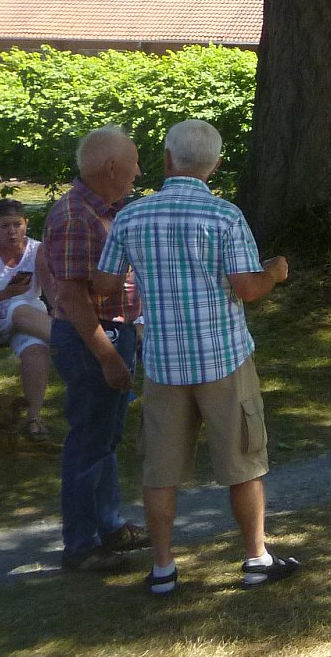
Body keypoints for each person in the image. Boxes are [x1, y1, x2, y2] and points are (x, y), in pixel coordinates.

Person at [94, 119, 298, 595]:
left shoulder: (131, 216)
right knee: (243, 460)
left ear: (167, 160)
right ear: (216, 165)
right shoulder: (226, 216)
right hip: (223, 356)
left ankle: (163, 569)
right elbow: (246, 288)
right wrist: (275, 272)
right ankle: (255, 558)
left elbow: (104, 285)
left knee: (160, 470)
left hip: (163, 361)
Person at [44, 126, 148, 572]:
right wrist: (107, 356)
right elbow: (71, 298)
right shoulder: (74, 216)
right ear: (111, 168)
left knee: (106, 435)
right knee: (88, 440)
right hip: (92, 338)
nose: (138, 171)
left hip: (113, 333)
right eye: (134, 162)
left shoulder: (107, 210)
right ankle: (81, 545)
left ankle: (109, 526)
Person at [0, 199, 52, 442]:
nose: (12, 232)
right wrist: (5, 294)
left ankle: (33, 418)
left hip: (30, 316)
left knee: (36, 350)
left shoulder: (38, 250)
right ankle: (73, 341)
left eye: (16, 224)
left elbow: (52, 291)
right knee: (18, 307)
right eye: (4, 226)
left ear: (25, 224)